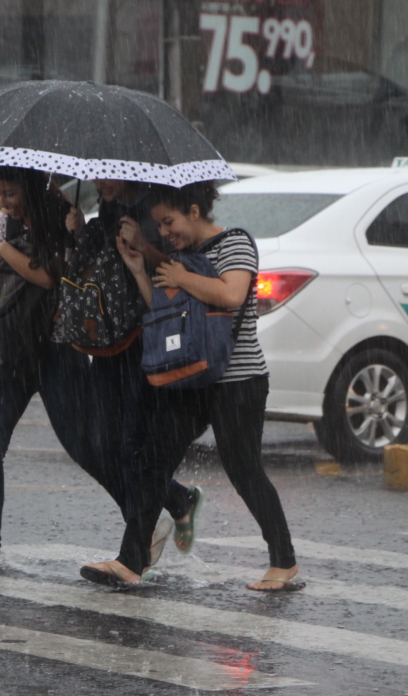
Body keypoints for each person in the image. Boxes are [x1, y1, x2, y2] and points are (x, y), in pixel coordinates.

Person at [80, 182, 302, 592]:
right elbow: (162, 309)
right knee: (153, 459)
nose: (165, 231)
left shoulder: (235, 243)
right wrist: (137, 266)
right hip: (191, 377)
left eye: (170, 222)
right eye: (160, 225)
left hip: (237, 379)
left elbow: (232, 295)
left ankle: (284, 562)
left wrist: (181, 273)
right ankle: (130, 561)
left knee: (244, 469)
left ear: (195, 212)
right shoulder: (178, 257)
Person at [0, 166, 116, 573]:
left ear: (28, 186)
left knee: (86, 448)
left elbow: (49, 276)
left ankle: (168, 502)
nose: (2, 202)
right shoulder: (7, 219)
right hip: (12, 345)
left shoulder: (59, 212)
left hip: (56, 346)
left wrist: (5, 251)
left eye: (9, 193)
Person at [65, 179, 204, 564]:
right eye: (96, 175)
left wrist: (144, 244)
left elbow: (178, 270)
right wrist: (81, 232)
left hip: (141, 341)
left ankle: (137, 546)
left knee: (131, 445)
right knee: (100, 441)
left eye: (107, 176)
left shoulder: (151, 209)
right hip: (108, 339)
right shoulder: (108, 209)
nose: (99, 182)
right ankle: (177, 500)